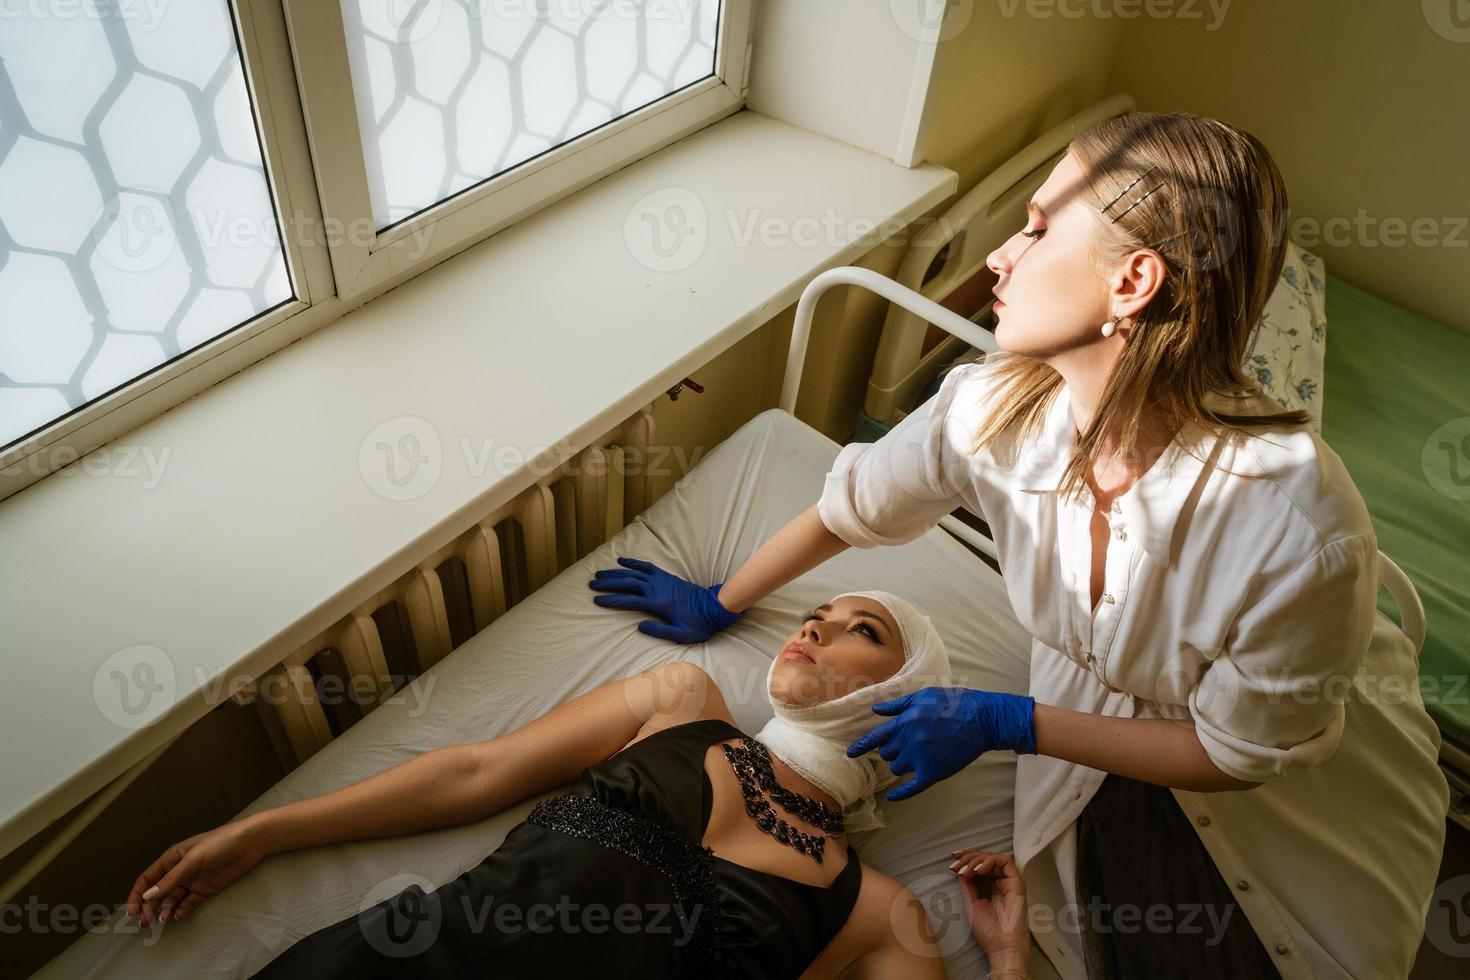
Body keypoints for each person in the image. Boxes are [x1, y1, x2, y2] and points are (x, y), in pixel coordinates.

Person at [586, 111, 1449, 979]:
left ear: (1133, 282)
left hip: (1278, 783)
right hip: (1116, 741)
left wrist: (1017, 722)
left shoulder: (1299, 536)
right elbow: (852, 509)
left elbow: (1235, 753)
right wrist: (721, 599)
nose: (999, 255)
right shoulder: (993, 413)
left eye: (1037, 229)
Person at [124, 591, 1030, 978]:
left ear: (907, 691)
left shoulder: (881, 914)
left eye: (857, 629)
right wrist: (265, 832)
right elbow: (477, 772)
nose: (812, 631)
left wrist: (1009, 959)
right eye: (814, 618)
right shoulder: (683, 700)